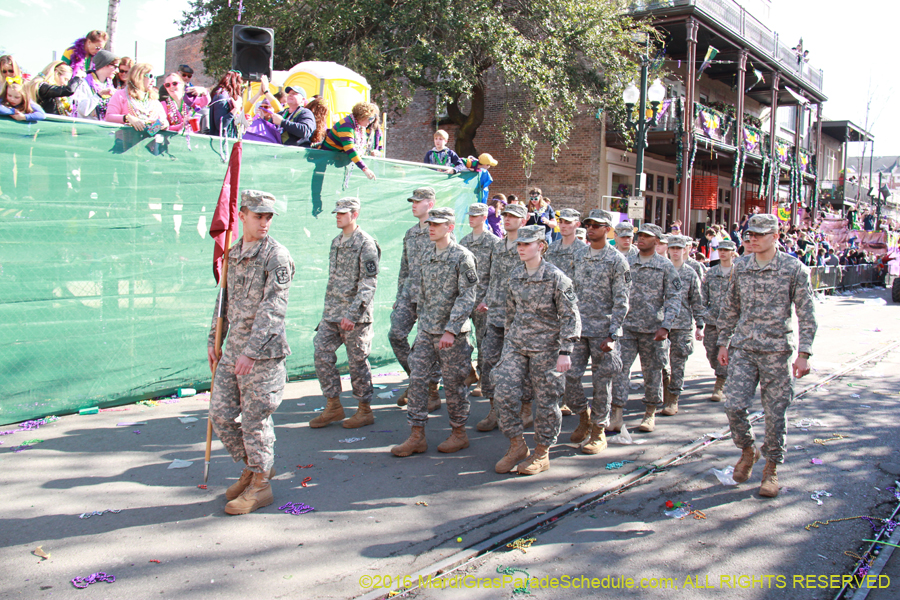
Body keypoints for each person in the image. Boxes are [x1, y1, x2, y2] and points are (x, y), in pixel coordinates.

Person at [717, 214, 817, 498]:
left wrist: (804, 353)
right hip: (744, 348)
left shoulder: (793, 268)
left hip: (777, 351)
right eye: (751, 234)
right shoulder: (741, 266)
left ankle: (771, 467)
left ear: (775, 236)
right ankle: (748, 450)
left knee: (775, 414)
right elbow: (731, 306)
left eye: (761, 234)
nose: (754, 239)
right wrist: (723, 342)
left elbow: (806, 313)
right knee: (733, 405)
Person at [207, 190, 294, 515]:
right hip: (233, 349)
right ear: (242, 216)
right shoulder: (233, 254)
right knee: (220, 414)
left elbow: (274, 307)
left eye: (268, 216)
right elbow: (223, 301)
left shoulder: (276, 255)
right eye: (258, 216)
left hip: (263, 353)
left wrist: (252, 352)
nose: (264, 222)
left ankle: (260, 484)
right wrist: (213, 340)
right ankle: (255, 466)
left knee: (255, 420)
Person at [493, 225, 581, 475]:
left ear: (541, 246)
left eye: (527, 244)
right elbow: (511, 312)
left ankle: (542, 452)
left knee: (546, 401)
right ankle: (517, 445)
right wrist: (508, 341)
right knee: (503, 390)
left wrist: (565, 351)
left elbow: (570, 316)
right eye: (519, 244)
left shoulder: (556, 277)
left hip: (547, 348)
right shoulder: (515, 275)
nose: (521, 248)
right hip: (517, 344)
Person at [391, 207, 478, 457]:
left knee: (453, 385)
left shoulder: (462, 257)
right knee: (417, 380)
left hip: (452, 336)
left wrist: (451, 329)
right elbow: (420, 289)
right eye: (430, 223)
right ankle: (416, 435)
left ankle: (459, 433)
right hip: (426, 330)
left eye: (437, 224)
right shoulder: (426, 253)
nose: (431, 228)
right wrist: (419, 315)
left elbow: (467, 296)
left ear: (450, 228)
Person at [310, 198, 381, 429]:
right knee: (321, 351)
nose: (338, 216)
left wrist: (353, 314)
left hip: (355, 317)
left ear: (355, 214)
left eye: (343, 213)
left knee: (357, 362)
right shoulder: (336, 242)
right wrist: (327, 313)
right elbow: (333, 281)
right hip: (332, 314)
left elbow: (369, 283)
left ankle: (364, 410)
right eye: (336, 213)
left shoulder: (366, 243)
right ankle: (333, 405)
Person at [564, 210, 629, 455]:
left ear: (607, 230)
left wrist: (613, 335)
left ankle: (598, 431)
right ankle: (584, 416)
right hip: (579, 330)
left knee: (602, 383)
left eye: (596, 225)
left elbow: (622, 300)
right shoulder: (579, 254)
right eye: (588, 224)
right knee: (569, 376)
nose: (590, 228)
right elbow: (570, 291)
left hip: (603, 332)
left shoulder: (617, 260)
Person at [611, 224, 681, 433]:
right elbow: (616, 291)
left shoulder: (665, 266)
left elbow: (674, 298)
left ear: (657, 241)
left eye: (647, 236)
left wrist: (666, 326)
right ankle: (617, 414)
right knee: (619, 370)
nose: (640, 239)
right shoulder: (626, 262)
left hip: (653, 330)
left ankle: (650, 413)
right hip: (627, 327)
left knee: (652, 372)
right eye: (639, 235)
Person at [476, 203, 534, 432]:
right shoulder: (498, 246)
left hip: (519, 317)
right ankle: (494, 409)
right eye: (505, 215)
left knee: (522, 365)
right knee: (488, 360)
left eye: (513, 216)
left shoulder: (528, 247)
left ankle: (525, 409)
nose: (507, 219)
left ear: (524, 220)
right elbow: (492, 277)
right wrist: (486, 299)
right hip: (495, 314)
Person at [390, 187, 443, 409]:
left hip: (431, 295)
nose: (413, 205)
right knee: (396, 334)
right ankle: (417, 379)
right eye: (412, 201)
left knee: (429, 342)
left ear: (430, 204)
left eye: (417, 201)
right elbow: (404, 266)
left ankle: (431, 388)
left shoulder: (439, 230)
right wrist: (399, 294)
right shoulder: (410, 233)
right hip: (410, 292)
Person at [459, 203, 501, 398]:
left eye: (475, 216)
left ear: (484, 217)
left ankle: (484, 378)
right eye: (470, 215)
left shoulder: (494, 242)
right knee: (458, 338)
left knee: (485, 341)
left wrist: (488, 299)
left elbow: (497, 275)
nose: (471, 218)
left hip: (483, 299)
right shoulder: (464, 241)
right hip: (465, 298)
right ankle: (469, 372)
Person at [660, 235, 705, 416]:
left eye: (679, 248)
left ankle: (673, 398)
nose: (676, 251)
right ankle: (664, 390)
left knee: (678, 362)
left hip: (682, 324)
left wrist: (700, 324)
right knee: (660, 361)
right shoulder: (661, 269)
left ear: (685, 250)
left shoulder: (690, 273)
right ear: (668, 249)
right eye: (673, 248)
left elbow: (697, 300)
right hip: (661, 323)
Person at [700, 238, 735, 402]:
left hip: (732, 323)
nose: (722, 253)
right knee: (711, 351)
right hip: (713, 320)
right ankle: (722, 374)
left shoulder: (738, 273)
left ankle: (720, 382)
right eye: (720, 250)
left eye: (726, 250)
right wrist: (703, 313)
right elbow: (703, 295)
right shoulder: (711, 273)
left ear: (733, 253)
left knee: (727, 352)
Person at [321, 101, 379, 180]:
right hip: (325, 161)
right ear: (362, 116)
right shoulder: (346, 125)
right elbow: (350, 149)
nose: (371, 122)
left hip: (334, 161)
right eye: (370, 118)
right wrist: (365, 169)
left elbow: (360, 147)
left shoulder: (355, 125)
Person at [105, 62, 168, 132]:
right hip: (125, 137)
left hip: (149, 138)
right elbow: (109, 118)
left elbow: (163, 120)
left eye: (154, 77)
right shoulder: (120, 95)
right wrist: (127, 118)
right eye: (150, 76)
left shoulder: (154, 100)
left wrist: (164, 124)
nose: (153, 80)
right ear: (138, 76)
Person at [70, 50, 117, 120]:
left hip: (104, 125)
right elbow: (82, 110)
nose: (117, 71)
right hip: (87, 125)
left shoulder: (109, 85)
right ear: (104, 65)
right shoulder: (84, 82)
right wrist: (99, 95)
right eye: (115, 67)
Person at [545, 208, 588, 280]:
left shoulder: (584, 250)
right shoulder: (552, 248)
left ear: (577, 224)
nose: (563, 226)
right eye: (560, 222)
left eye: (567, 222)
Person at [206, 71, 244, 138]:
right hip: (220, 142)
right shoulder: (221, 98)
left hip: (230, 140)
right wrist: (235, 109)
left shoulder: (229, 98)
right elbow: (220, 125)